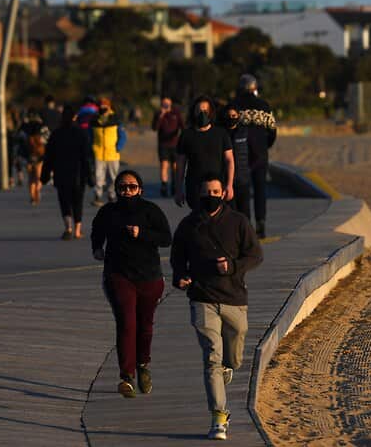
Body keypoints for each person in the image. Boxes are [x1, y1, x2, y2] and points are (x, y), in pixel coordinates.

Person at [170, 173, 263, 440]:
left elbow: (256, 254)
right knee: (211, 357)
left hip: (234, 298)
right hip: (202, 297)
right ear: (198, 195)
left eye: (215, 192)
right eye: (205, 192)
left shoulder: (238, 222)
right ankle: (219, 418)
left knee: (233, 356)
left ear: (223, 194)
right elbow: (177, 258)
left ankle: (228, 366)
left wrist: (233, 267)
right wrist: (180, 276)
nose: (210, 197)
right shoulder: (189, 225)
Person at [92, 170, 172, 398]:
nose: (127, 192)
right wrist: (97, 248)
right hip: (118, 275)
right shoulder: (108, 212)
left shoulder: (151, 211)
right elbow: (97, 232)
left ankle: (143, 365)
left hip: (149, 277)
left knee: (145, 326)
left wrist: (142, 233)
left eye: (132, 187)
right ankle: (126, 377)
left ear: (141, 189)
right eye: (123, 188)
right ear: (117, 190)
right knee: (127, 323)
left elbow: (166, 238)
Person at [231, 74, 277, 238]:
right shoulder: (264, 106)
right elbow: (272, 130)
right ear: (255, 88)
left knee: (242, 190)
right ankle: (261, 222)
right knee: (260, 189)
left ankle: (245, 226)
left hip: (239, 154)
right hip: (260, 154)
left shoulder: (234, 106)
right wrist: (265, 146)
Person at [174, 95, 234, 213]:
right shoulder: (186, 135)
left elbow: (229, 160)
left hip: (216, 187)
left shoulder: (221, 134)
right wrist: (178, 189)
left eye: (205, 111)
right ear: (193, 112)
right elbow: (180, 164)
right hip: (194, 186)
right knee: (199, 219)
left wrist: (229, 185)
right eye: (199, 111)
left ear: (211, 112)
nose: (202, 114)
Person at [41, 105, 93, 239]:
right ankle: (77, 230)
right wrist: (90, 177)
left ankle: (68, 227)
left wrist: (45, 175)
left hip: (61, 173)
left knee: (64, 201)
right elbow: (86, 157)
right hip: (78, 174)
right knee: (78, 201)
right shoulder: (81, 134)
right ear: (75, 117)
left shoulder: (56, 134)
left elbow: (49, 158)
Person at [91, 97, 126, 207]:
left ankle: (112, 194)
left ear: (109, 106)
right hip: (98, 152)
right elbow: (89, 136)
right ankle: (98, 196)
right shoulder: (94, 120)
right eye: (101, 105)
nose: (102, 107)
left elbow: (123, 136)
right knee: (98, 176)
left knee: (113, 176)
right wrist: (92, 148)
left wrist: (118, 148)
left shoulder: (115, 119)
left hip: (112, 153)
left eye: (105, 105)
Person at [222, 104, 251, 220]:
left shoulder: (245, 132)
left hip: (243, 180)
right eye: (229, 116)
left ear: (238, 116)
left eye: (234, 115)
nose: (231, 118)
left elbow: (253, 152)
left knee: (245, 215)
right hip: (227, 181)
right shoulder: (222, 133)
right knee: (230, 215)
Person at [151, 96, 184, 197]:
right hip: (163, 145)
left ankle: (174, 186)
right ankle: (164, 186)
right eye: (164, 103)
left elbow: (183, 127)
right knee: (164, 165)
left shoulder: (176, 113)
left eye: (167, 103)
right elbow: (154, 128)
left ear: (171, 103)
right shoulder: (158, 114)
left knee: (175, 167)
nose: (166, 105)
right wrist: (161, 115)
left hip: (175, 145)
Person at [19, 109, 50, 205]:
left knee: (31, 177)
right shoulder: (42, 127)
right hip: (40, 155)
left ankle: (32, 196)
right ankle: (37, 190)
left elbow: (19, 140)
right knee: (38, 176)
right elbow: (48, 139)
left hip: (28, 155)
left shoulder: (24, 127)